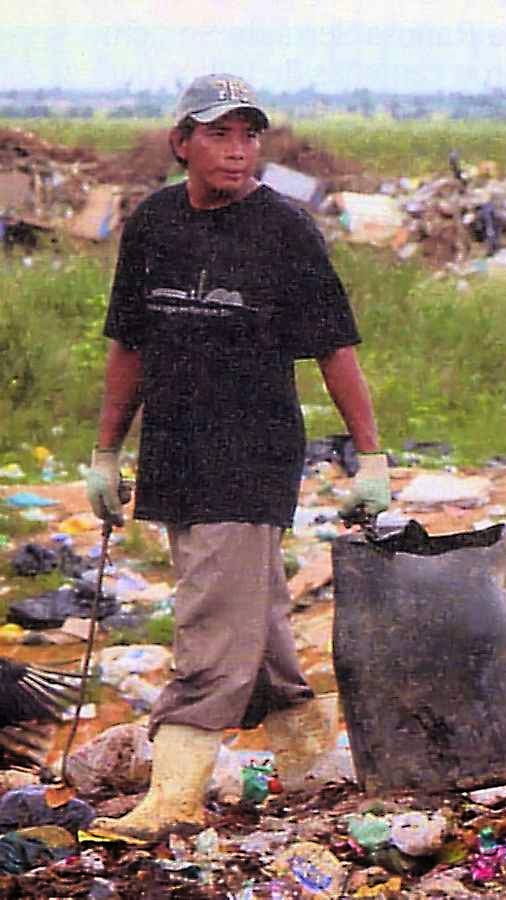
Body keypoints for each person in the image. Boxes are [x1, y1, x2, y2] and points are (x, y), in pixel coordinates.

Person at [85, 73, 391, 841]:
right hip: (174, 450)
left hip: (250, 452)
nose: (237, 149)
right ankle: (313, 776)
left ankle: (173, 800)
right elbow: (129, 341)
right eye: (218, 134)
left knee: (209, 627)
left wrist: (371, 457)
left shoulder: (283, 229)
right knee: (258, 629)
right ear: (180, 142)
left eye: (249, 134)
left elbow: (334, 348)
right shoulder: (153, 222)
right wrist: (105, 451)